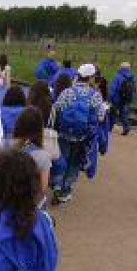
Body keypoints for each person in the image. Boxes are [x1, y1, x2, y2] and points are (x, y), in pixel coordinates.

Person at [50, 63, 105, 204]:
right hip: (82, 137)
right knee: (74, 163)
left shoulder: (67, 92)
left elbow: (56, 109)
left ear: (78, 76)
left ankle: (56, 185)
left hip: (64, 134)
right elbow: (100, 117)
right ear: (90, 78)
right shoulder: (95, 96)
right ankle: (65, 190)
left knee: (62, 159)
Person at [10, 107, 52, 202]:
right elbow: (43, 187)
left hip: (8, 198)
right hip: (30, 203)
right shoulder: (43, 156)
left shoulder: (5, 145)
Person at [109, 62, 137, 136]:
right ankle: (126, 127)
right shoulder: (132, 77)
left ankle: (109, 128)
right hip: (127, 99)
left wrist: (110, 98)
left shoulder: (117, 76)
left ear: (120, 68)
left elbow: (112, 89)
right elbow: (134, 89)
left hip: (116, 99)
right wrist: (132, 98)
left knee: (112, 114)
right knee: (124, 114)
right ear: (129, 68)